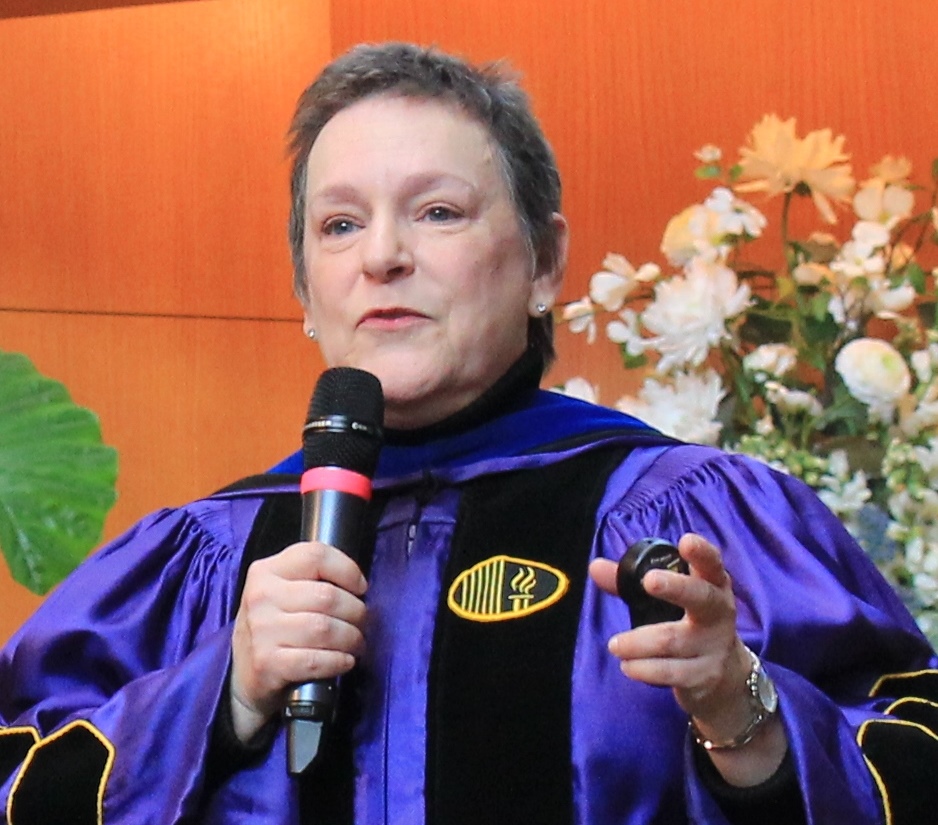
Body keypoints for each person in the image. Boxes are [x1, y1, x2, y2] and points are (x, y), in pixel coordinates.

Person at [1, 41, 936, 825]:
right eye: (338, 225)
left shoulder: (697, 526)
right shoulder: (202, 563)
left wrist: (749, 717)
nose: (381, 256)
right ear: (305, 296)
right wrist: (221, 694)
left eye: (437, 211)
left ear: (546, 262)